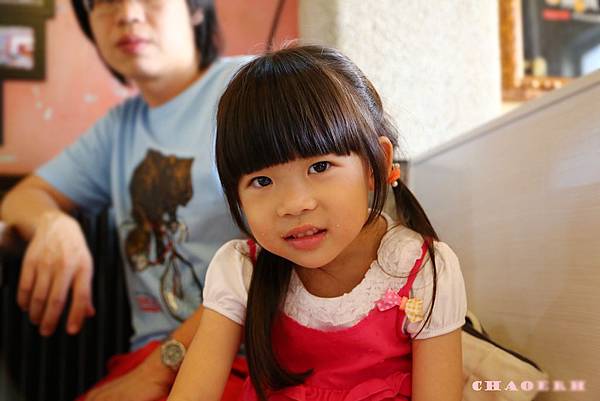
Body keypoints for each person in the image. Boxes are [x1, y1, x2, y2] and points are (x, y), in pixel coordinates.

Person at [168, 45, 468, 401]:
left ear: (376, 164)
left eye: (320, 167)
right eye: (262, 181)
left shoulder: (425, 271)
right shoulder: (242, 269)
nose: (294, 205)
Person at [1, 0, 251, 399]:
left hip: (250, 360)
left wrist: (158, 369)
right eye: (104, 1)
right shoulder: (120, 127)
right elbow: (24, 197)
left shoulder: (250, 87)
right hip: (147, 359)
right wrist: (54, 223)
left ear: (195, 9)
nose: (127, 14)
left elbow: (277, 251)